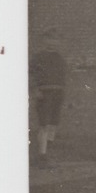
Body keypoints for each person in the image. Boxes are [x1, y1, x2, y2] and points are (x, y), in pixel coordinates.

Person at [30, 26, 67, 164]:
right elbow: (31, 74)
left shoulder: (59, 58)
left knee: (54, 123)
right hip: (44, 92)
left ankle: (47, 148)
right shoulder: (38, 57)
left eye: (55, 39)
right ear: (44, 41)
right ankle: (42, 155)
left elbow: (63, 77)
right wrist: (35, 89)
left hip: (58, 92)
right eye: (49, 39)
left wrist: (62, 90)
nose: (52, 42)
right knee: (44, 124)